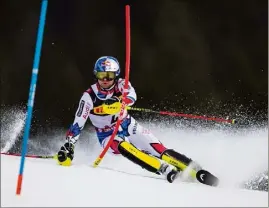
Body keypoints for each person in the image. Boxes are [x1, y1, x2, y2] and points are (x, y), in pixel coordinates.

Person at [56, 56, 199, 183]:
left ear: (116, 76)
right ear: (96, 75)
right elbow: (78, 121)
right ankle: (162, 168)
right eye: (101, 75)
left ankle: (196, 170)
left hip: (128, 125)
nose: (105, 80)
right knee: (124, 147)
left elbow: (132, 96)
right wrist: (70, 144)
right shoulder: (89, 96)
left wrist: (119, 102)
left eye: (109, 76)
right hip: (108, 135)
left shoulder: (121, 85)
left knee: (158, 149)